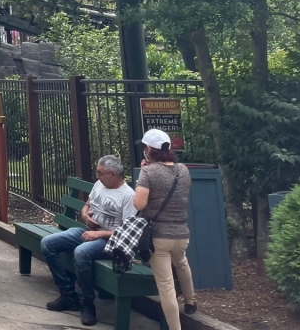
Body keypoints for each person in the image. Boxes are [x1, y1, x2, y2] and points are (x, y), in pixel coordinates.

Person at [41, 155, 137, 326]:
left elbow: (127, 233)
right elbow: (87, 205)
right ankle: (68, 295)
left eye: (100, 173)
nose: (97, 176)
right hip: (89, 232)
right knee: (48, 243)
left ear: (113, 174)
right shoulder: (100, 184)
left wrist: (99, 234)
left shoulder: (128, 196)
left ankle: (87, 304)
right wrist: (85, 215)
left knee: (81, 252)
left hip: (110, 242)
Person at [133, 129, 196, 330]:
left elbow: (139, 204)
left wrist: (142, 176)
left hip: (159, 236)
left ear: (149, 149)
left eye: (145, 147)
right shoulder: (183, 170)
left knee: (166, 287)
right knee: (181, 262)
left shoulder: (148, 172)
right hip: (182, 233)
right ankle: (190, 300)